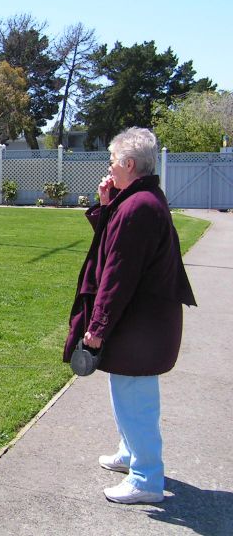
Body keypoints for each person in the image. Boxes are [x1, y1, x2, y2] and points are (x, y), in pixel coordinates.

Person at [63, 127, 196, 504]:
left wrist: (98, 326)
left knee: (136, 397)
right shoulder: (138, 200)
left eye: (112, 161)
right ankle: (129, 453)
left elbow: (117, 274)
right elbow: (112, 245)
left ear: (129, 164)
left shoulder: (139, 207)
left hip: (140, 326)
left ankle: (146, 479)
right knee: (126, 392)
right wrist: (106, 203)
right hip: (143, 323)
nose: (108, 167)